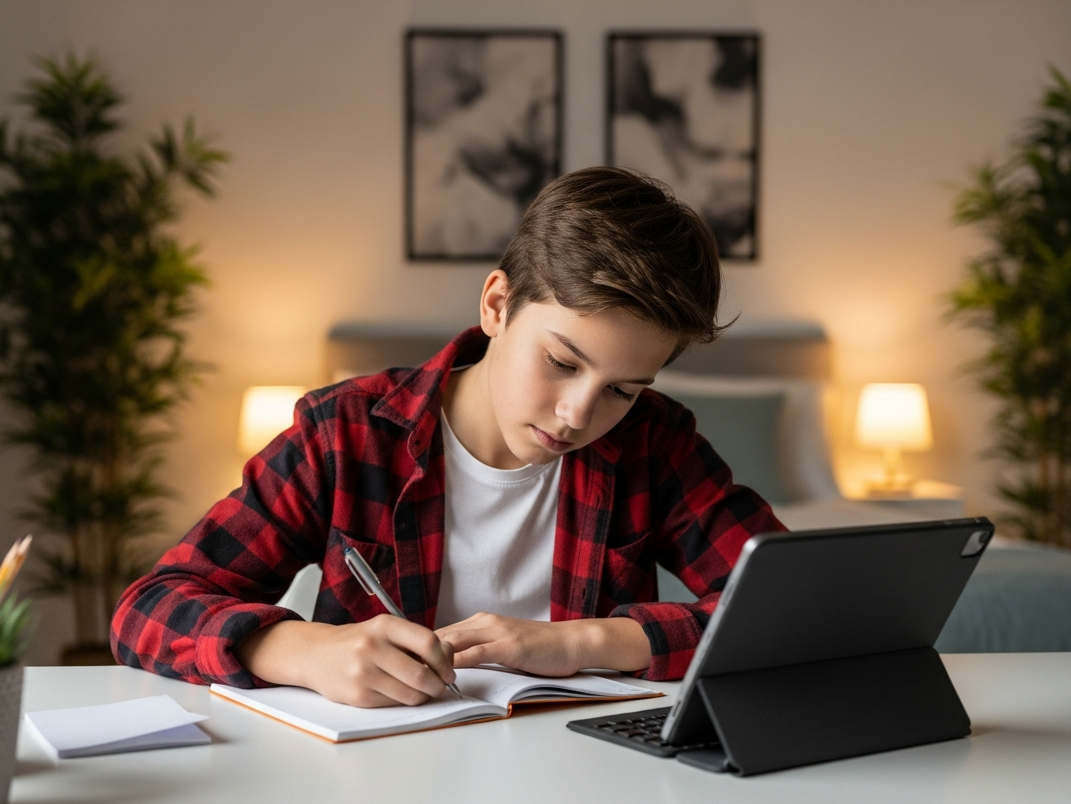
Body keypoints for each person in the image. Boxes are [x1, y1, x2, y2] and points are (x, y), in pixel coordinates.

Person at [110, 167, 785, 707]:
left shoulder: (655, 443)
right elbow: (148, 609)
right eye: (561, 363)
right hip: (374, 794)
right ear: (496, 305)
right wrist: (302, 652)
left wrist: (582, 641)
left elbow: (791, 609)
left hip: (585, 791)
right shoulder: (344, 433)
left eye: (623, 389)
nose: (578, 414)